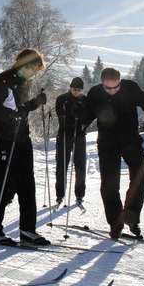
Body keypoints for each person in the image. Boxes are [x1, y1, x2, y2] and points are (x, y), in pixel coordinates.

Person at [86, 67, 144, 239]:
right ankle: (115, 223)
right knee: (109, 185)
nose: (111, 91)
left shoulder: (130, 88)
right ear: (102, 83)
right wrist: (76, 117)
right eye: (107, 88)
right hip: (107, 145)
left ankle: (131, 216)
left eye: (115, 87)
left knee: (141, 177)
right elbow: (86, 115)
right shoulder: (95, 93)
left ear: (120, 81)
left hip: (130, 141)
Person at [0, 48, 50, 247]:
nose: (34, 73)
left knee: (27, 184)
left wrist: (34, 104)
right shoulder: (3, 79)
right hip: (3, 139)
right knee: (1, 185)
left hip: (22, 138)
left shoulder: (25, 83)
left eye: (37, 70)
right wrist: (15, 115)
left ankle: (27, 230)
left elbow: (21, 110)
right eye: (33, 68)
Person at [55, 77, 89, 207]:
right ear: (70, 87)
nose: (76, 92)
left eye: (79, 90)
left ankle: (79, 194)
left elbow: (89, 116)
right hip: (65, 135)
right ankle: (60, 194)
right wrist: (71, 120)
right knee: (62, 165)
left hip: (80, 136)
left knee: (80, 165)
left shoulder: (85, 100)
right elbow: (60, 115)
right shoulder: (62, 98)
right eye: (74, 89)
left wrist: (83, 123)